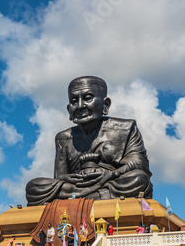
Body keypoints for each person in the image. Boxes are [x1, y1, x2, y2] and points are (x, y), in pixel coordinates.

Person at [26, 76, 153, 205]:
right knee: (34, 187)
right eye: (74, 101)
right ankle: (95, 197)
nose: (80, 106)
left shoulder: (126, 128)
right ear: (68, 109)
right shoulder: (63, 137)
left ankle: (78, 199)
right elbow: (59, 178)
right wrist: (74, 178)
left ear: (106, 104)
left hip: (111, 182)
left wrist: (109, 174)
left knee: (138, 178)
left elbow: (140, 164)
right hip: (77, 186)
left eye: (88, 98)